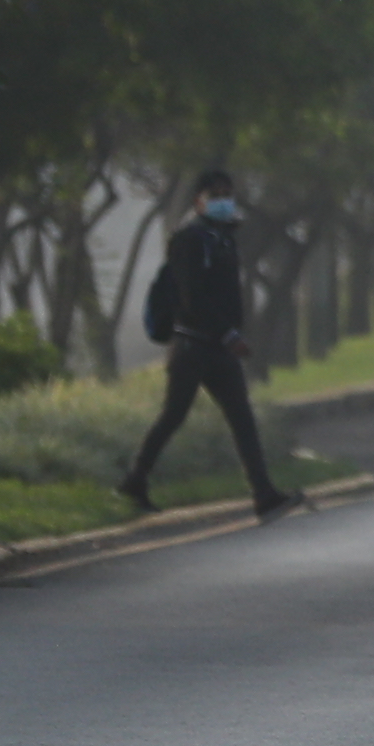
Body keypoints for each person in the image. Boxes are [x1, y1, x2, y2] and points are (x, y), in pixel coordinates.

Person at [125, 166, 299, 522]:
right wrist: (228, 333)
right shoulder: (189, 240)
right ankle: (134, 479)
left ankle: (263, 494)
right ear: (198, 201)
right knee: (173, 416)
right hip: (192, 347)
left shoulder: (223, 238)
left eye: (227, 195)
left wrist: (230, 333)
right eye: (215, 195)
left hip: (218, 348)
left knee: (243, 419)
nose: (223, 202)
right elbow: (192, 298)